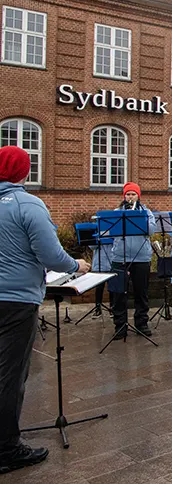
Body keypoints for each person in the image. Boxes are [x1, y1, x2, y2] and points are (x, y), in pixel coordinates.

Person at [0, 146, 89, 474]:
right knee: (10, 374)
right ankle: (7, 448)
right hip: (16, 301)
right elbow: (52, 257)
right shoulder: (27, 204)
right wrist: (76, 264)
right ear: (23, 172)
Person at [110, 182, 156, 338]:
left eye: (133, 194)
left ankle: (141, 323)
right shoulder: (116, 212)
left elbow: (150, 230)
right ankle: (120, 326)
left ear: (138, 196)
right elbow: (110, 231)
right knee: (118, 293)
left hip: (141, 257)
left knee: (141, 292)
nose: (130, 197)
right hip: (120, 256)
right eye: (128, 194)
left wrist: (138, 217)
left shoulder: (146, 212)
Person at [89, 236, 114, 319]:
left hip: (111, 263)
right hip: (99, 264)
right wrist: (97, 239)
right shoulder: (96, 231)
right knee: (99, 288)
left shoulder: (113, 230)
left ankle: (112, 308)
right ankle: (98, 308)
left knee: (112, 288)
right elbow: (91, 246)